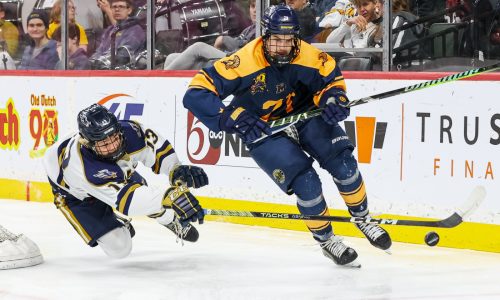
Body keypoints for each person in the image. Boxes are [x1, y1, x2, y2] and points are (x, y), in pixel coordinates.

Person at [183, 4, 391, 267]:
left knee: (344, 164)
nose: (282, 46)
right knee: (307, 183)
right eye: (276, 40)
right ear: (265, 37)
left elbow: (330, 81)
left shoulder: (307, 54)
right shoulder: (243, 61)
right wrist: (230, 117)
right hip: (262, 128)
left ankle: (363, 219)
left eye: (288, 40)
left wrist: (334, 99)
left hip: (304, 114)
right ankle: (327, 240)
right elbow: (195, 93)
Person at [43, 104, 207, 259]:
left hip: (111, 177)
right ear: (89, 144)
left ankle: (169, 220)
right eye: (104, 143)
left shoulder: (130, 131)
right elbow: (128, 201)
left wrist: (175, 169)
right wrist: (170, 195)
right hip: (75, 195)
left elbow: (156, 149)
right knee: (120, 249)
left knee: (152, 198)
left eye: (114, 137)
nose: (113, 145)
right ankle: (117, 220)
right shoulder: (86, 169)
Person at [163, 0, 257, 70]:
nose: (255, 11)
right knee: (171, 57)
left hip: (238, 63)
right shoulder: (249, 28)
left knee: (198, 47)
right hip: (228, 57)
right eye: (253, 6)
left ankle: (158, 80)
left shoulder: (263, 28)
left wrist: (223, 39)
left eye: (258, 7)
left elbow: (245, 48)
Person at [91, 0, 146, 68]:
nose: (117, 9)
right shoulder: (109, 30)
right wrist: (91, 62)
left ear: (129, 10)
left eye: (121, 7)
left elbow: (124, 55)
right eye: (114, 7)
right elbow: (99, 51)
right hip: (103, 68)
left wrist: (100, 63)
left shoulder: (135, 30)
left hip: (124, 71)